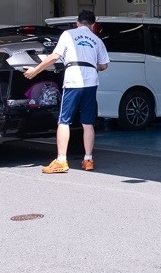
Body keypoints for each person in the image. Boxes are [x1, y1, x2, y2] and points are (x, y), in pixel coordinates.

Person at [24, 9, 109, 173]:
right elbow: (104, 65)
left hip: (73, 79)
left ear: (77, 22)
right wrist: (90, 64)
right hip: (91, 81)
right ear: (92, 25)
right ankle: (88, 159)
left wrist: (35, 70)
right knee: (88, 122)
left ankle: (61, 160)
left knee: (64, 120)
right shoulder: (97, 40)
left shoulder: (68, 34)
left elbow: (55, 57)